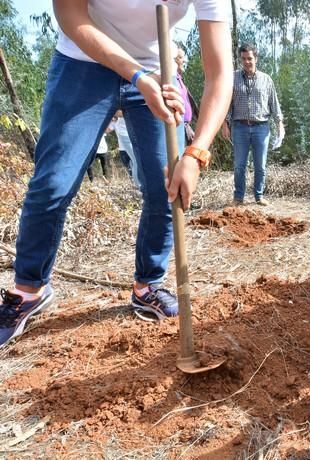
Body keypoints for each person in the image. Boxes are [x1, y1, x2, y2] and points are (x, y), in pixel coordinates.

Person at [0, 0, 232, 347]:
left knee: (163, 186)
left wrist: (195, 153)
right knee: (53, 183)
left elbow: (219, 74)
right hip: (83, 64)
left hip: (158, 71)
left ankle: (148, 285)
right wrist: (135, 76)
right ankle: (29, 291)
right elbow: (70, 15)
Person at [221, 43, 284, 206]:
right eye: (243, 59)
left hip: (261, 127)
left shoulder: (266, 80)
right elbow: (227, 103)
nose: (247, 62)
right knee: (239, 165)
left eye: (250, 58)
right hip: (240, 127)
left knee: (260, 166)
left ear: (256, 58)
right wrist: (224, 124)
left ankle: (259, 196)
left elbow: (274, 105)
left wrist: (280, 126)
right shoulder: (233, 78)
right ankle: (238, 197)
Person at [175, 47, 200, 146]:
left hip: (185, 128)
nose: (184, 61)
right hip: (177, 128)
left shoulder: (179, 78)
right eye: (180, 57)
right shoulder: (170, 79)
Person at [112, 111, 140, 188]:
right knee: (136, 160)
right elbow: (117, 111)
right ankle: (139, 186)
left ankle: (139, 184)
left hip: (135, 132)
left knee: (137, 161)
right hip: (125, 134)